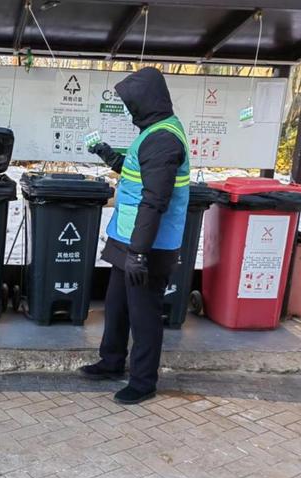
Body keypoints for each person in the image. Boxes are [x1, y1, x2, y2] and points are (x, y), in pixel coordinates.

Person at [79, 67, 190, 405]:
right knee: (116, 303)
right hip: (129, 238)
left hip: (149, 244)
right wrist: (106, 153)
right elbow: (136, 168)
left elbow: (154, 200)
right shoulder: (153, 133)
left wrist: (139, 253)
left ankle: (143, 381)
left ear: (145, 102)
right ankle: (112, 361)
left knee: (143, 313)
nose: (127, 110)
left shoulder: (163, 139)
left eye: (130, 103)